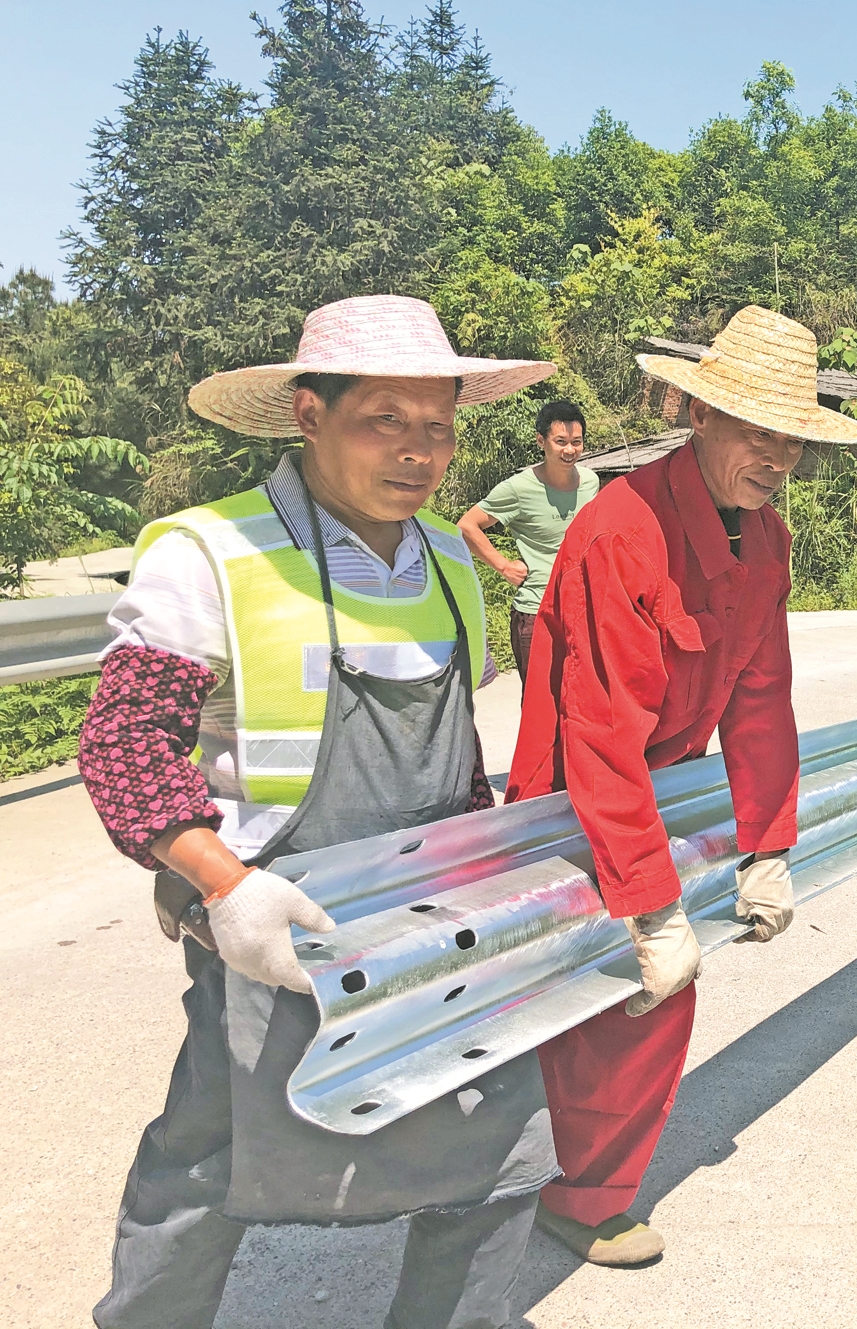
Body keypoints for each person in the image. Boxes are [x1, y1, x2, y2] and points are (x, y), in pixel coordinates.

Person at [77, 295, 560, 1329]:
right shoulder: (210, 554)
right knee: (208, 1170)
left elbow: (455, 763)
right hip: (271, 926)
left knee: (500, 1158)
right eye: (384, 419)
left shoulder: (447, 562)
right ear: (308, 413)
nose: (417, 453)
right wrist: (224, 888)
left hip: (432, 927)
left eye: (437, 427)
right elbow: (124, 743)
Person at [504, 305, 857, 1267]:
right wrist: (650, 902)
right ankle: (577, 1198)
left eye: (791, 437)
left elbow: (761, 701)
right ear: (695, 414)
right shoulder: (620, 533)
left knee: (620, 1005)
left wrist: (768, 846)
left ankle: (561, 1176)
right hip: (577, 789)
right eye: (757, 430)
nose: (777, 455)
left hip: (662, 784)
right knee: (629, 997)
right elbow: (599, 733)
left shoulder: (769, 541)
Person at [458, 399, 595, 686]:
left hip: (583, 610)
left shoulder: (591, 482)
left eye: (576, 442)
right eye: (560, 441)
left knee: (580, 703)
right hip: (537, 612)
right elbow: (467, 526)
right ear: (541, 441)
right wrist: (503, 566)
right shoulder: (519, 488)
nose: (569, 450)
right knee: (540, 709)